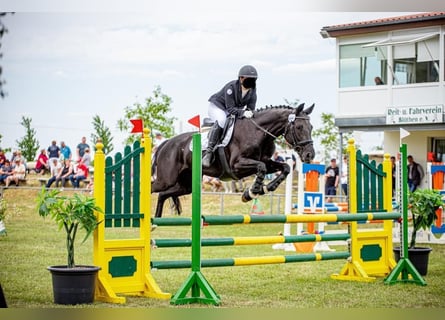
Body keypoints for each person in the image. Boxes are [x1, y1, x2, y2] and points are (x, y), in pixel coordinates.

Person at [202, 65, 258, 167]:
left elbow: (251, 109)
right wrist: (243, 113)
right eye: (249, 79)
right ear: (241, 78)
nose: (251, 81)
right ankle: (209, 152)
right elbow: (230, 109)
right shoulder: (231, 88)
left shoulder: (252, 91)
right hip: (217, 107)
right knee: (222, 120)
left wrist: (249, 114)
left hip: (233, 110)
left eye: (253, 79)